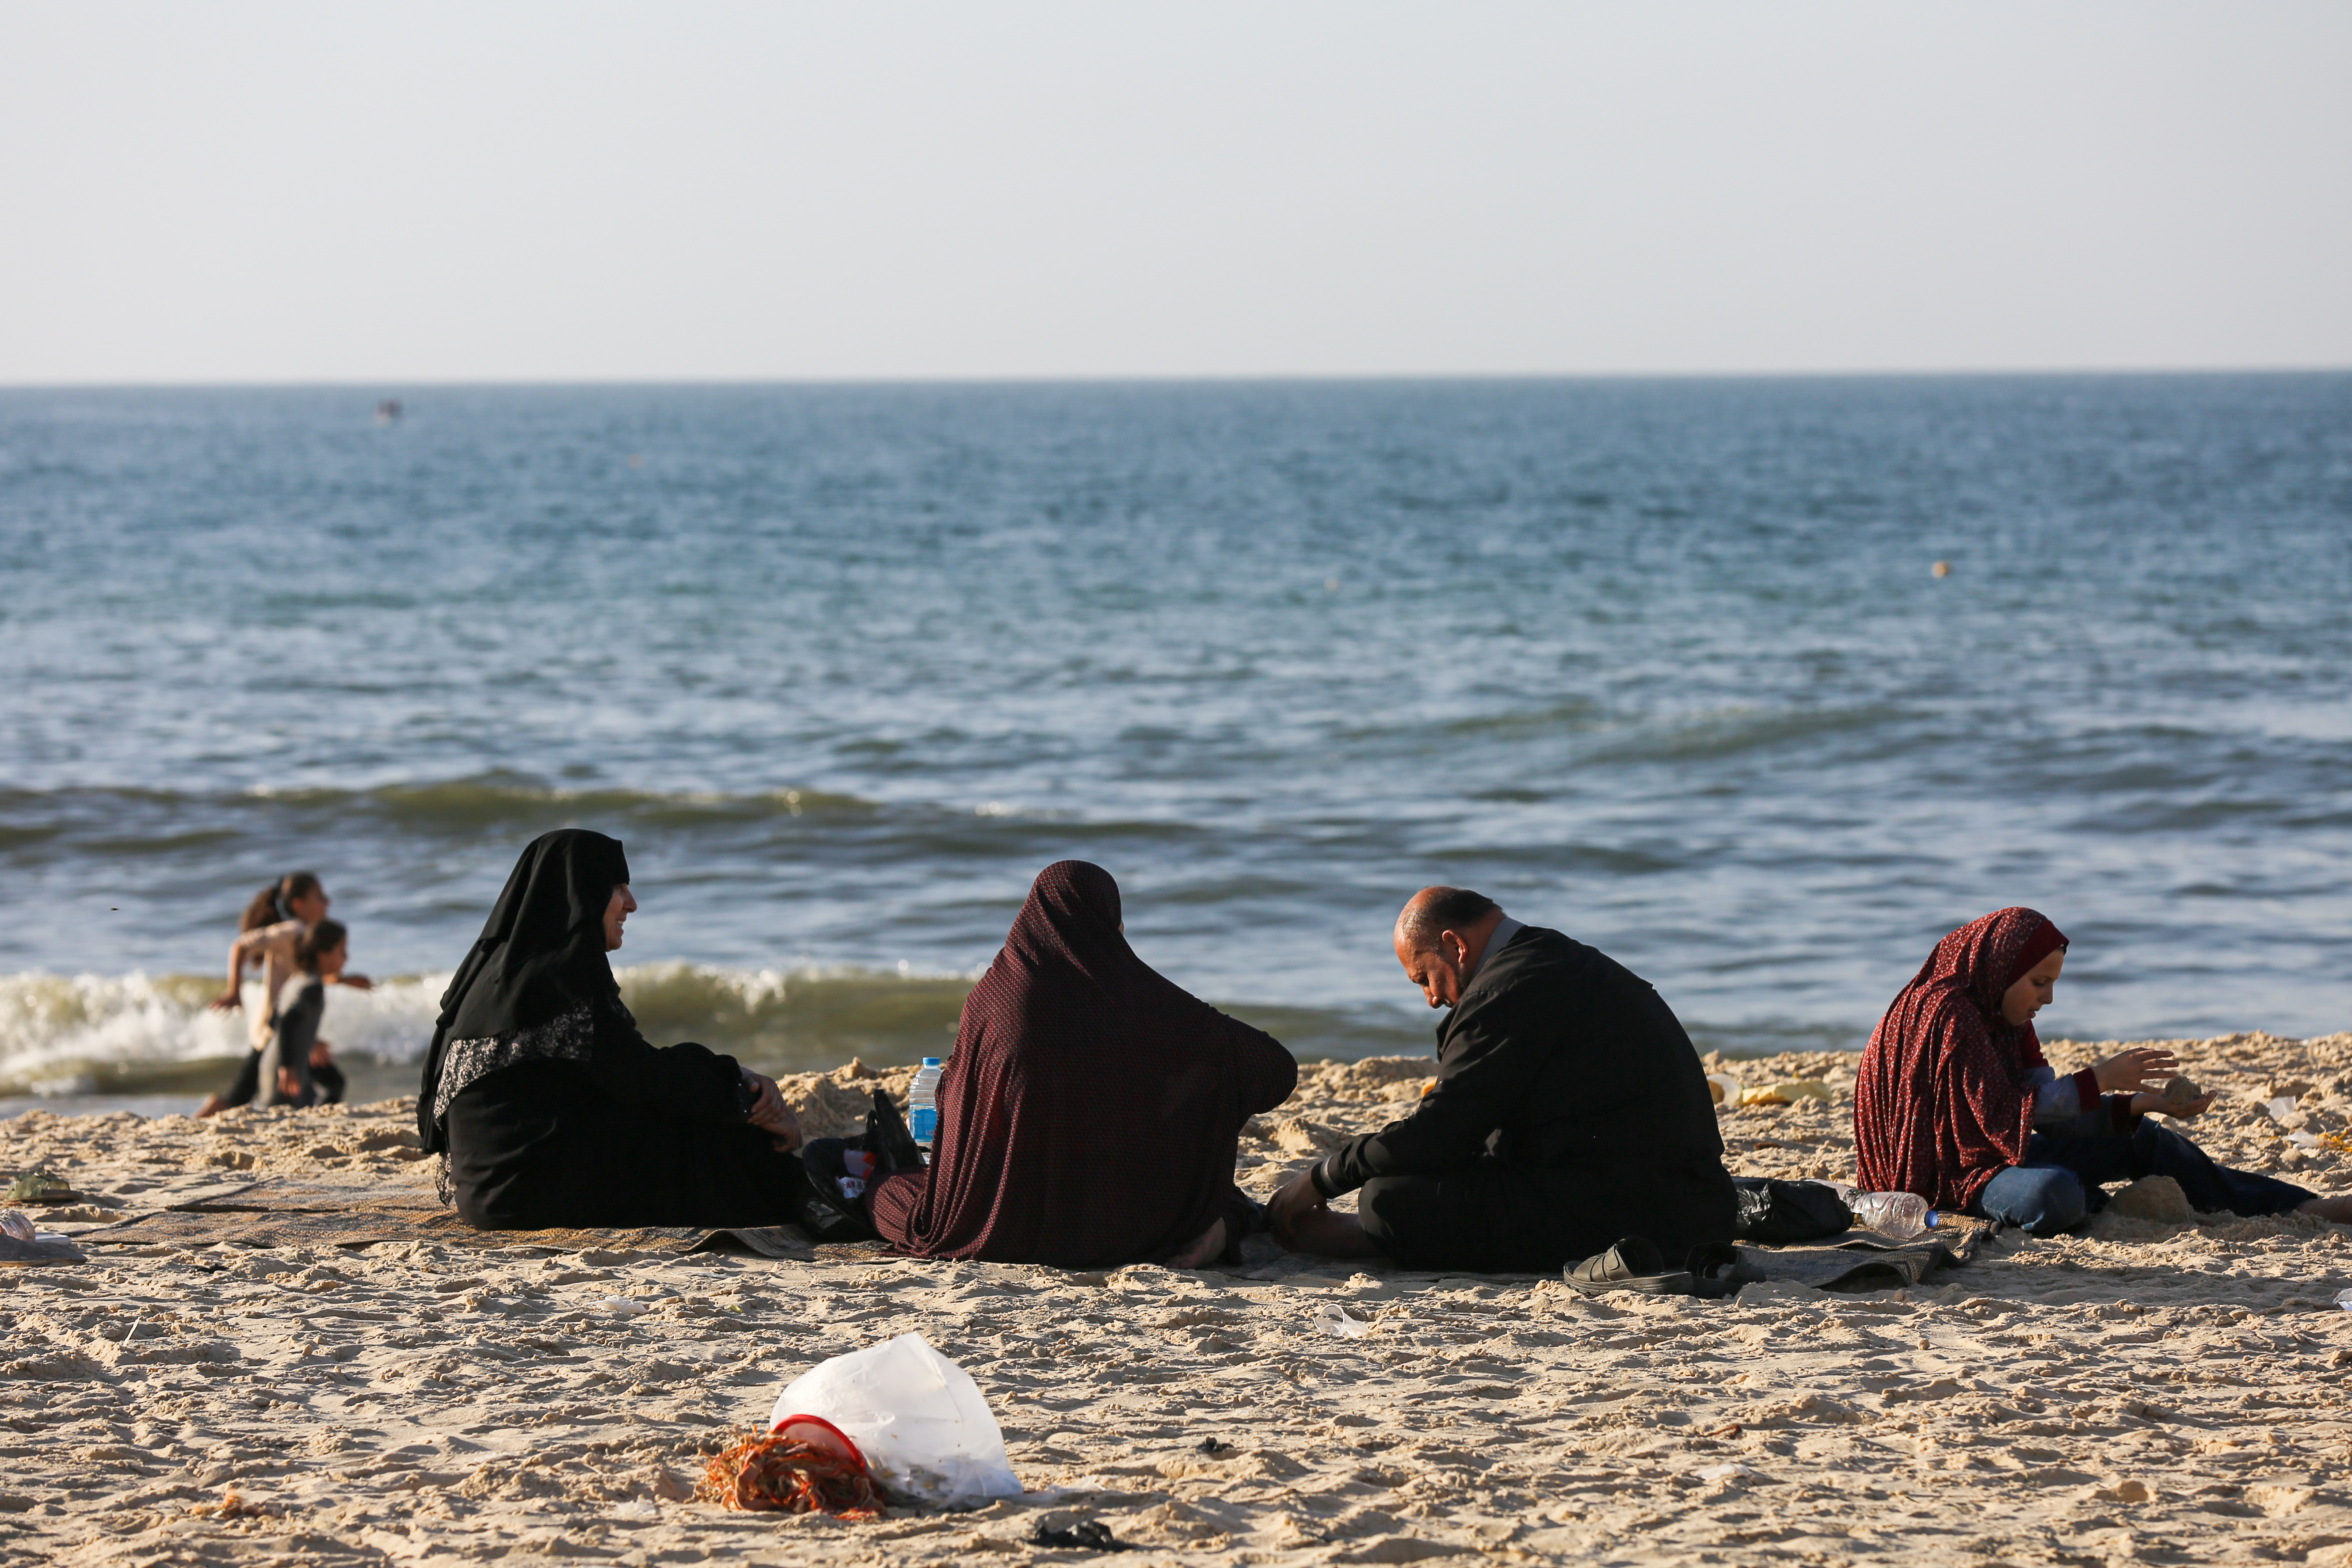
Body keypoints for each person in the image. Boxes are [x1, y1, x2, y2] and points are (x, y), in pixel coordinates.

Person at [1267, 887, 1735, 1273]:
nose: (1431, 998)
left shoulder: (1506, 989)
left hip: (1643, 1217)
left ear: (1454, 945)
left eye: (1424, 978)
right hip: (1684, 1200)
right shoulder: (1551, 959)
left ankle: (1365, 1240)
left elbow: (1439, 1134)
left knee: (1387, 1200)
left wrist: (1320, 1179)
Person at [867, 860, 1297, 1268]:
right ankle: (1219, 1230)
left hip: (1004, 1225)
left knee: (886, 1192)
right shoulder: (1145, 1006)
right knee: (1223, 1199)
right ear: (1113, 923)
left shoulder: (994, 1000)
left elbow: (954, 1100)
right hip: (1129, 1224)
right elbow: (1274, 1069)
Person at [1854, 906, 2352, 1236]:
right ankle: (2092, 1198)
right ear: (2002, 968)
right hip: (1943, 1177)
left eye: (2051, 983)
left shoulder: (2006, 1017)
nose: (2046, 997)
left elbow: (2038, 1108)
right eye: (2038, 982)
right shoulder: (1948, 1014)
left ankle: (2297, 1208)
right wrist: (2101, 1078)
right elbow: (2005, 1113)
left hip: (1999, 1151)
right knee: (2055, 1194)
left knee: (2145, 1139)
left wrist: (2138, 1104)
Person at [418, 828, 812, 1229]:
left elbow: (623, 1067)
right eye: (618, 888)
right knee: (713, 1138)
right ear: (581, 893)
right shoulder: (560, 980)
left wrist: (733, 1080)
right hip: (529, 1195)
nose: (632, 904)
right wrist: (746, 1096)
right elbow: (647, 1078)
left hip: (484, 1194)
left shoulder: (489, 980)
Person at [198, 872, 370, 1117]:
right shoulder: (291, 931)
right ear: (299, 904)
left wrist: (343, 980)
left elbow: (304, 975)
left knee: (250, 1092)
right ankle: (209, 1113)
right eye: (320, 897)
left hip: (287, 1021)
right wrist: (234, 992)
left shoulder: (308, 934)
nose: (328, 902)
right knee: (244, 1096)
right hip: (276, 1026)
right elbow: (240, 945)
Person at [255, 920, 351, 1109]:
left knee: (335, 1083)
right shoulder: (312, 988)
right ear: (322, 954)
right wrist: (288, 1067)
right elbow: (287, 1021)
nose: (346, 957)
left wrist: (310, 1041)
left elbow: (273, 1020)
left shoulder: (297, 980)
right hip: (286, 1076)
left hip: (271, 1065)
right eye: (341, 951)